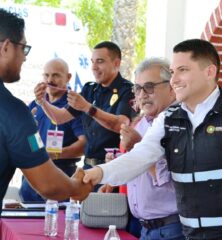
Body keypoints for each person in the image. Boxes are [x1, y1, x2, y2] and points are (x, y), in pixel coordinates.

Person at [83, 39, 222, 240]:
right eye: (173, 72)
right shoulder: (168, 117)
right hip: (188, 234)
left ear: (209, 72)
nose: (174, 80)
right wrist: (96, 174)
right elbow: (141, 157)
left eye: (183, 70)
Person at [0, 9, 91, 213]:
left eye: (56, 75)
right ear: (6, 47)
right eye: (24, 48)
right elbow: (49, 185)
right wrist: (78, 187)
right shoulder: (15, 112)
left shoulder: (70, 104)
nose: (24, 58)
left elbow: (80, 141)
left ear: (67, 78)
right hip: (46, 180)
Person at [34, 41, 136, 191]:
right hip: (87, 170)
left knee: (108, 213)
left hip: (111, 170)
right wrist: (42, 102)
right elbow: (60, 117)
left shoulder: (127, 90)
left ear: (116, 63)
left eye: (100, 62)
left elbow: (121, 124)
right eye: (92, 62)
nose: (94, 67)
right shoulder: (90, 89)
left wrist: (87, 107)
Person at [101, 57, 184, 240]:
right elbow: (135, 168)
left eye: (149, 87)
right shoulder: (141, 123)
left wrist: (137, 146)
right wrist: (113, 172)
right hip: (142, 227)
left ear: (171, 87)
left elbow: (171, 182)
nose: (142, 94)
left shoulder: (181, 124)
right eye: (138, 88)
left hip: (171, 228)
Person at [20, 58, 86, 202]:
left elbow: (84, 145)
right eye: (46, 75)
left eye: (56, 75)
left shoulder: (73, 105)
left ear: (68, 78)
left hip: (61, 173)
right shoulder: (36, 104)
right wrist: (36, 149)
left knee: (55, 222)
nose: (50, 80)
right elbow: (29, 137)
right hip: (32, 174)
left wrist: (55, 155)